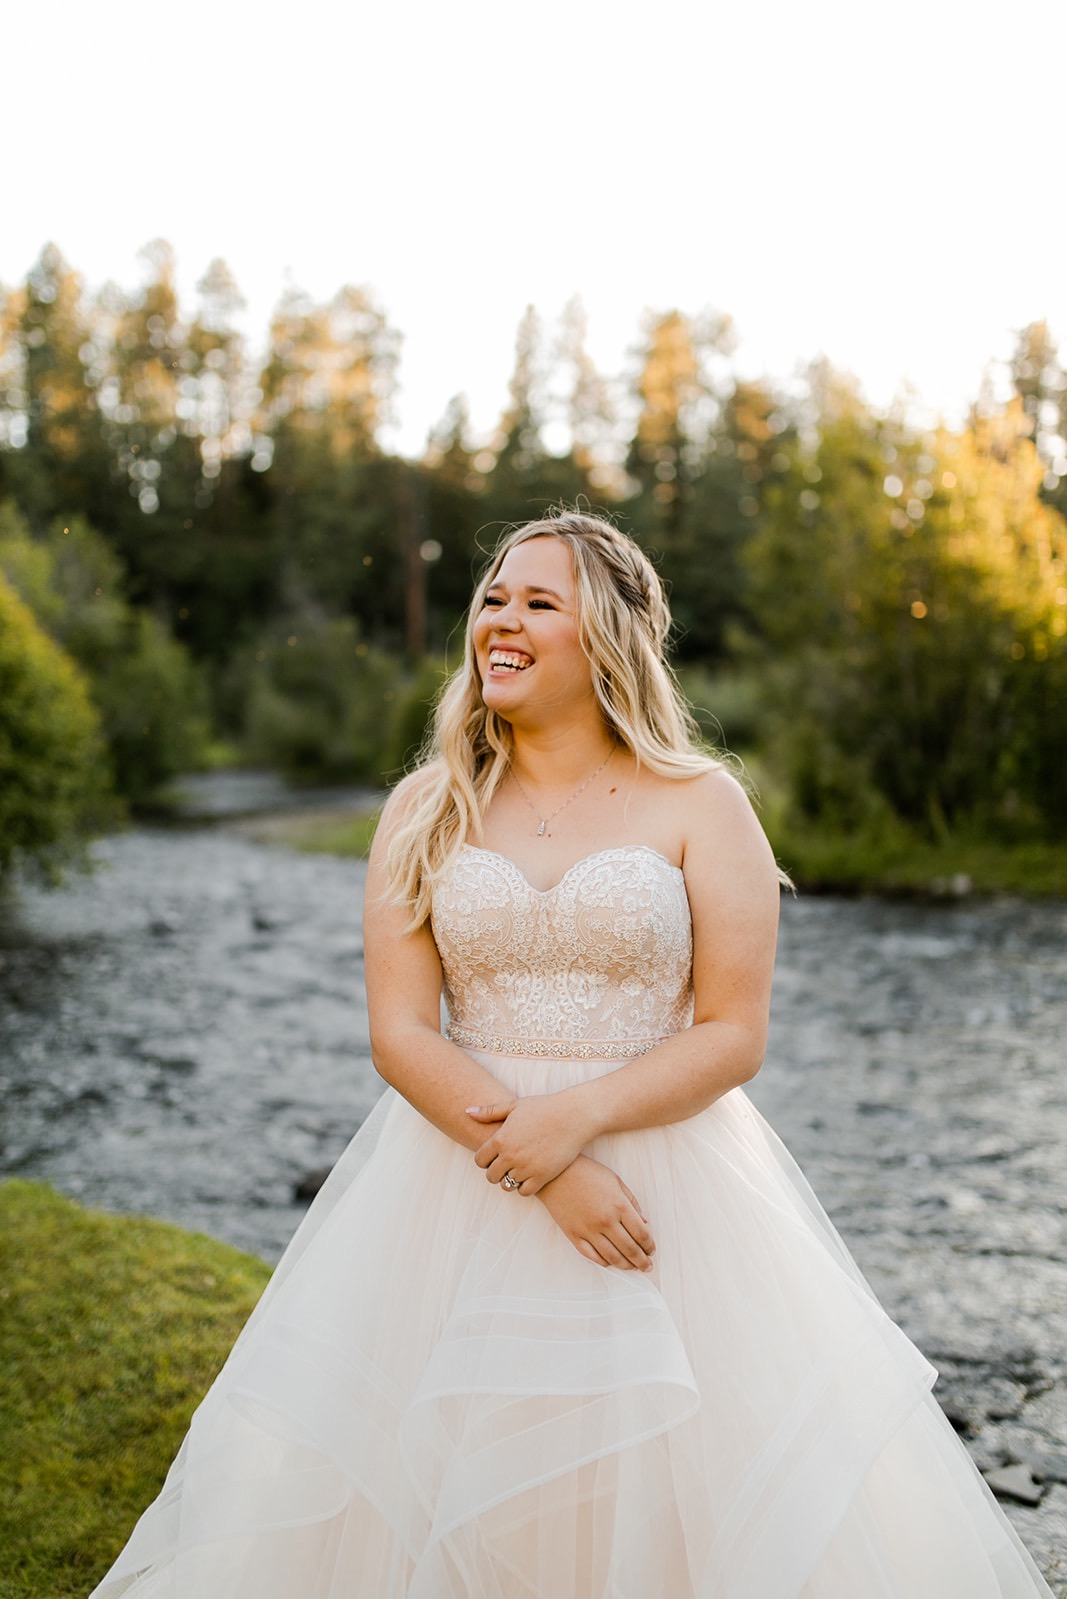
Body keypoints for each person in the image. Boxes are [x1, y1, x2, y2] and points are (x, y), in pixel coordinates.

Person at [90, 512, 1054, 1598]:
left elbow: (733, 1033)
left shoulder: (702, 803)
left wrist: (579, 1120)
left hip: (666, 1186)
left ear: (608, 638)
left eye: (537, 604)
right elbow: (400, 1033)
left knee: (674, 1488)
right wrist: (541, 1161)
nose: (500, 623)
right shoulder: (425, 807)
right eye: (494, 599)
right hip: (456, 1182)